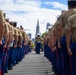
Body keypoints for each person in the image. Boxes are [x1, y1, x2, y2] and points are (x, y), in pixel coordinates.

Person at [58, 0, 76, 75]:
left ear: (68, 5)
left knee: (65, 61)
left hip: (66, 38)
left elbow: (59, 28)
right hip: (73, 37)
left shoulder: (63, 15)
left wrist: (59, 41)